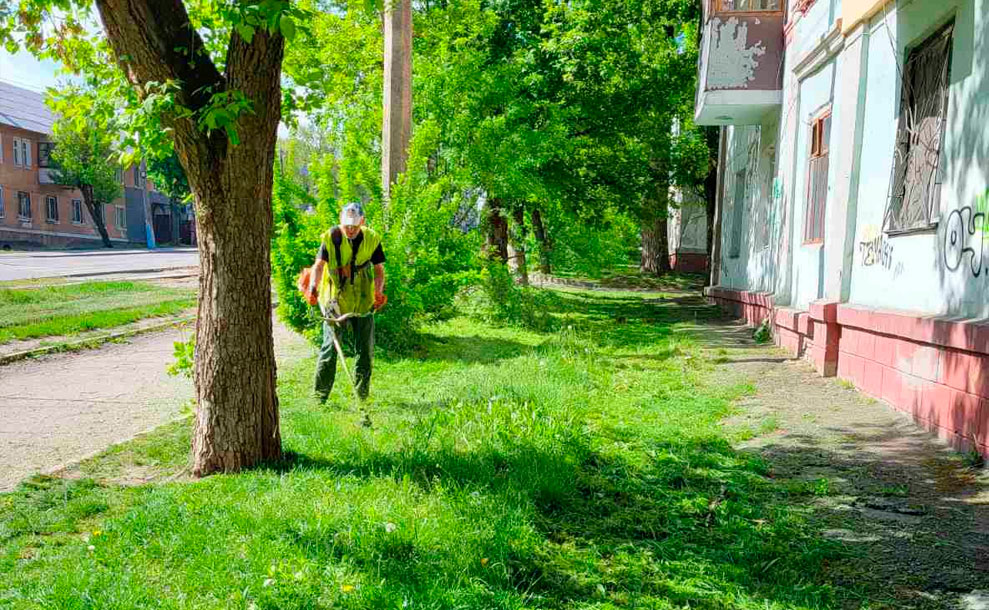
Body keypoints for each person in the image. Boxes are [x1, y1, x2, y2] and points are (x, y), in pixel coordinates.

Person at [301, 203, 387, 403]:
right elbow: (319, 266)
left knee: (365, 350)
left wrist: (378, 292)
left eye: (354, 226)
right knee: (330, 348)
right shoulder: (331, 237)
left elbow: (379, 271)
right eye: (346, 225)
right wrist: (313, 287)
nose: (350, 229)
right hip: (335, 299)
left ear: (362, 222)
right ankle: (320, 397)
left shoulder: (372, 239)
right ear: (341, 221)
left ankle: (361, 396)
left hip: (363, 299)